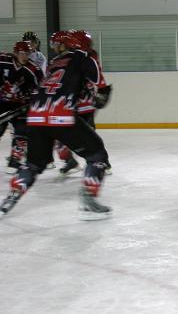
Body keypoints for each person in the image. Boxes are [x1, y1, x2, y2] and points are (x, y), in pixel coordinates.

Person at [0, 31, 111, 220]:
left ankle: (10, 199)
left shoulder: (53, 64)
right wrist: (102, 95)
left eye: (58, 44)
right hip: (62, 116)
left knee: (33, 165)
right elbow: (99, 87)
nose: (55, 47)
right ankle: (89, 198)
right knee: (97, 154)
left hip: (35, 117)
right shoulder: (85, 56)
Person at [55, 29, 113, 176]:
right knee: (61, 135)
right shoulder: (72, 57)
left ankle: (101, 162)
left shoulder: (85, 57)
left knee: (87, 137)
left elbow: (97, 80)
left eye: (63, 44)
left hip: (83, 105)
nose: (59, 47)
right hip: (70, 105)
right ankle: (70, 161)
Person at [0, 41, 44, 173]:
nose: (24, 56)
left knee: (21, 131)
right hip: (2, 104)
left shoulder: (34, 69)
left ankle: (15, 161)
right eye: (21, 53)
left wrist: (33, 101)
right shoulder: (3, 61)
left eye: (27, 53)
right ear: (15, 53)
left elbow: (41, 89)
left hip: (21, 106)